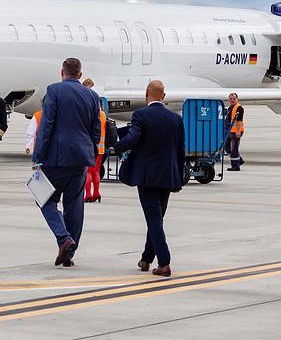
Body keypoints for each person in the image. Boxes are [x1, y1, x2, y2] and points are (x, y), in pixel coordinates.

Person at [32, 58, 101, 267]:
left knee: (43, 199)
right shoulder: (92, 95)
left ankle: (63, 239)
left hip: (55, 158)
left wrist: (37, 157)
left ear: (62, 72)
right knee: (75, 206)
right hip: (80, 159)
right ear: (80, 75)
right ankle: (69, 254)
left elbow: (47, 125)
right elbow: (95, 130)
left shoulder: (54, 91)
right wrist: (87, 150)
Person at [115, 80, 184, 277]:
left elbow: (133, 138)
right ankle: (146, 258)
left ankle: (164, 262)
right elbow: (180, 151)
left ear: (147, 94)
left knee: (154, 220)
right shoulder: (175, 119)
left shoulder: (141, 115)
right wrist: (178, 178)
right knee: (157, 219)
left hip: (147, 176)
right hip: (168, 176)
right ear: (163, 96)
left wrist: (115, 146)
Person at [85, 102, 107, 203]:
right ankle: (97, 193)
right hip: (101, 149)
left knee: (88, 172)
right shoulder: (103, 115)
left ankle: (88, 194)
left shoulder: (90, 115)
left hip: (90, 148)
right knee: (96, 172)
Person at [225, 93, 245, 171]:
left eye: (234, 98)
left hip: (236, 131)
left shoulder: (239, 108)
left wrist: (238, 131)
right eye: (231, 99)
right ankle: (239, 160)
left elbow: (239, 121)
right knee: (227, 148)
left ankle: (235, 166)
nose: (232, 100)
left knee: (234, 149)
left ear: (237, 99)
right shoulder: (230, 107)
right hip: (229, 131)